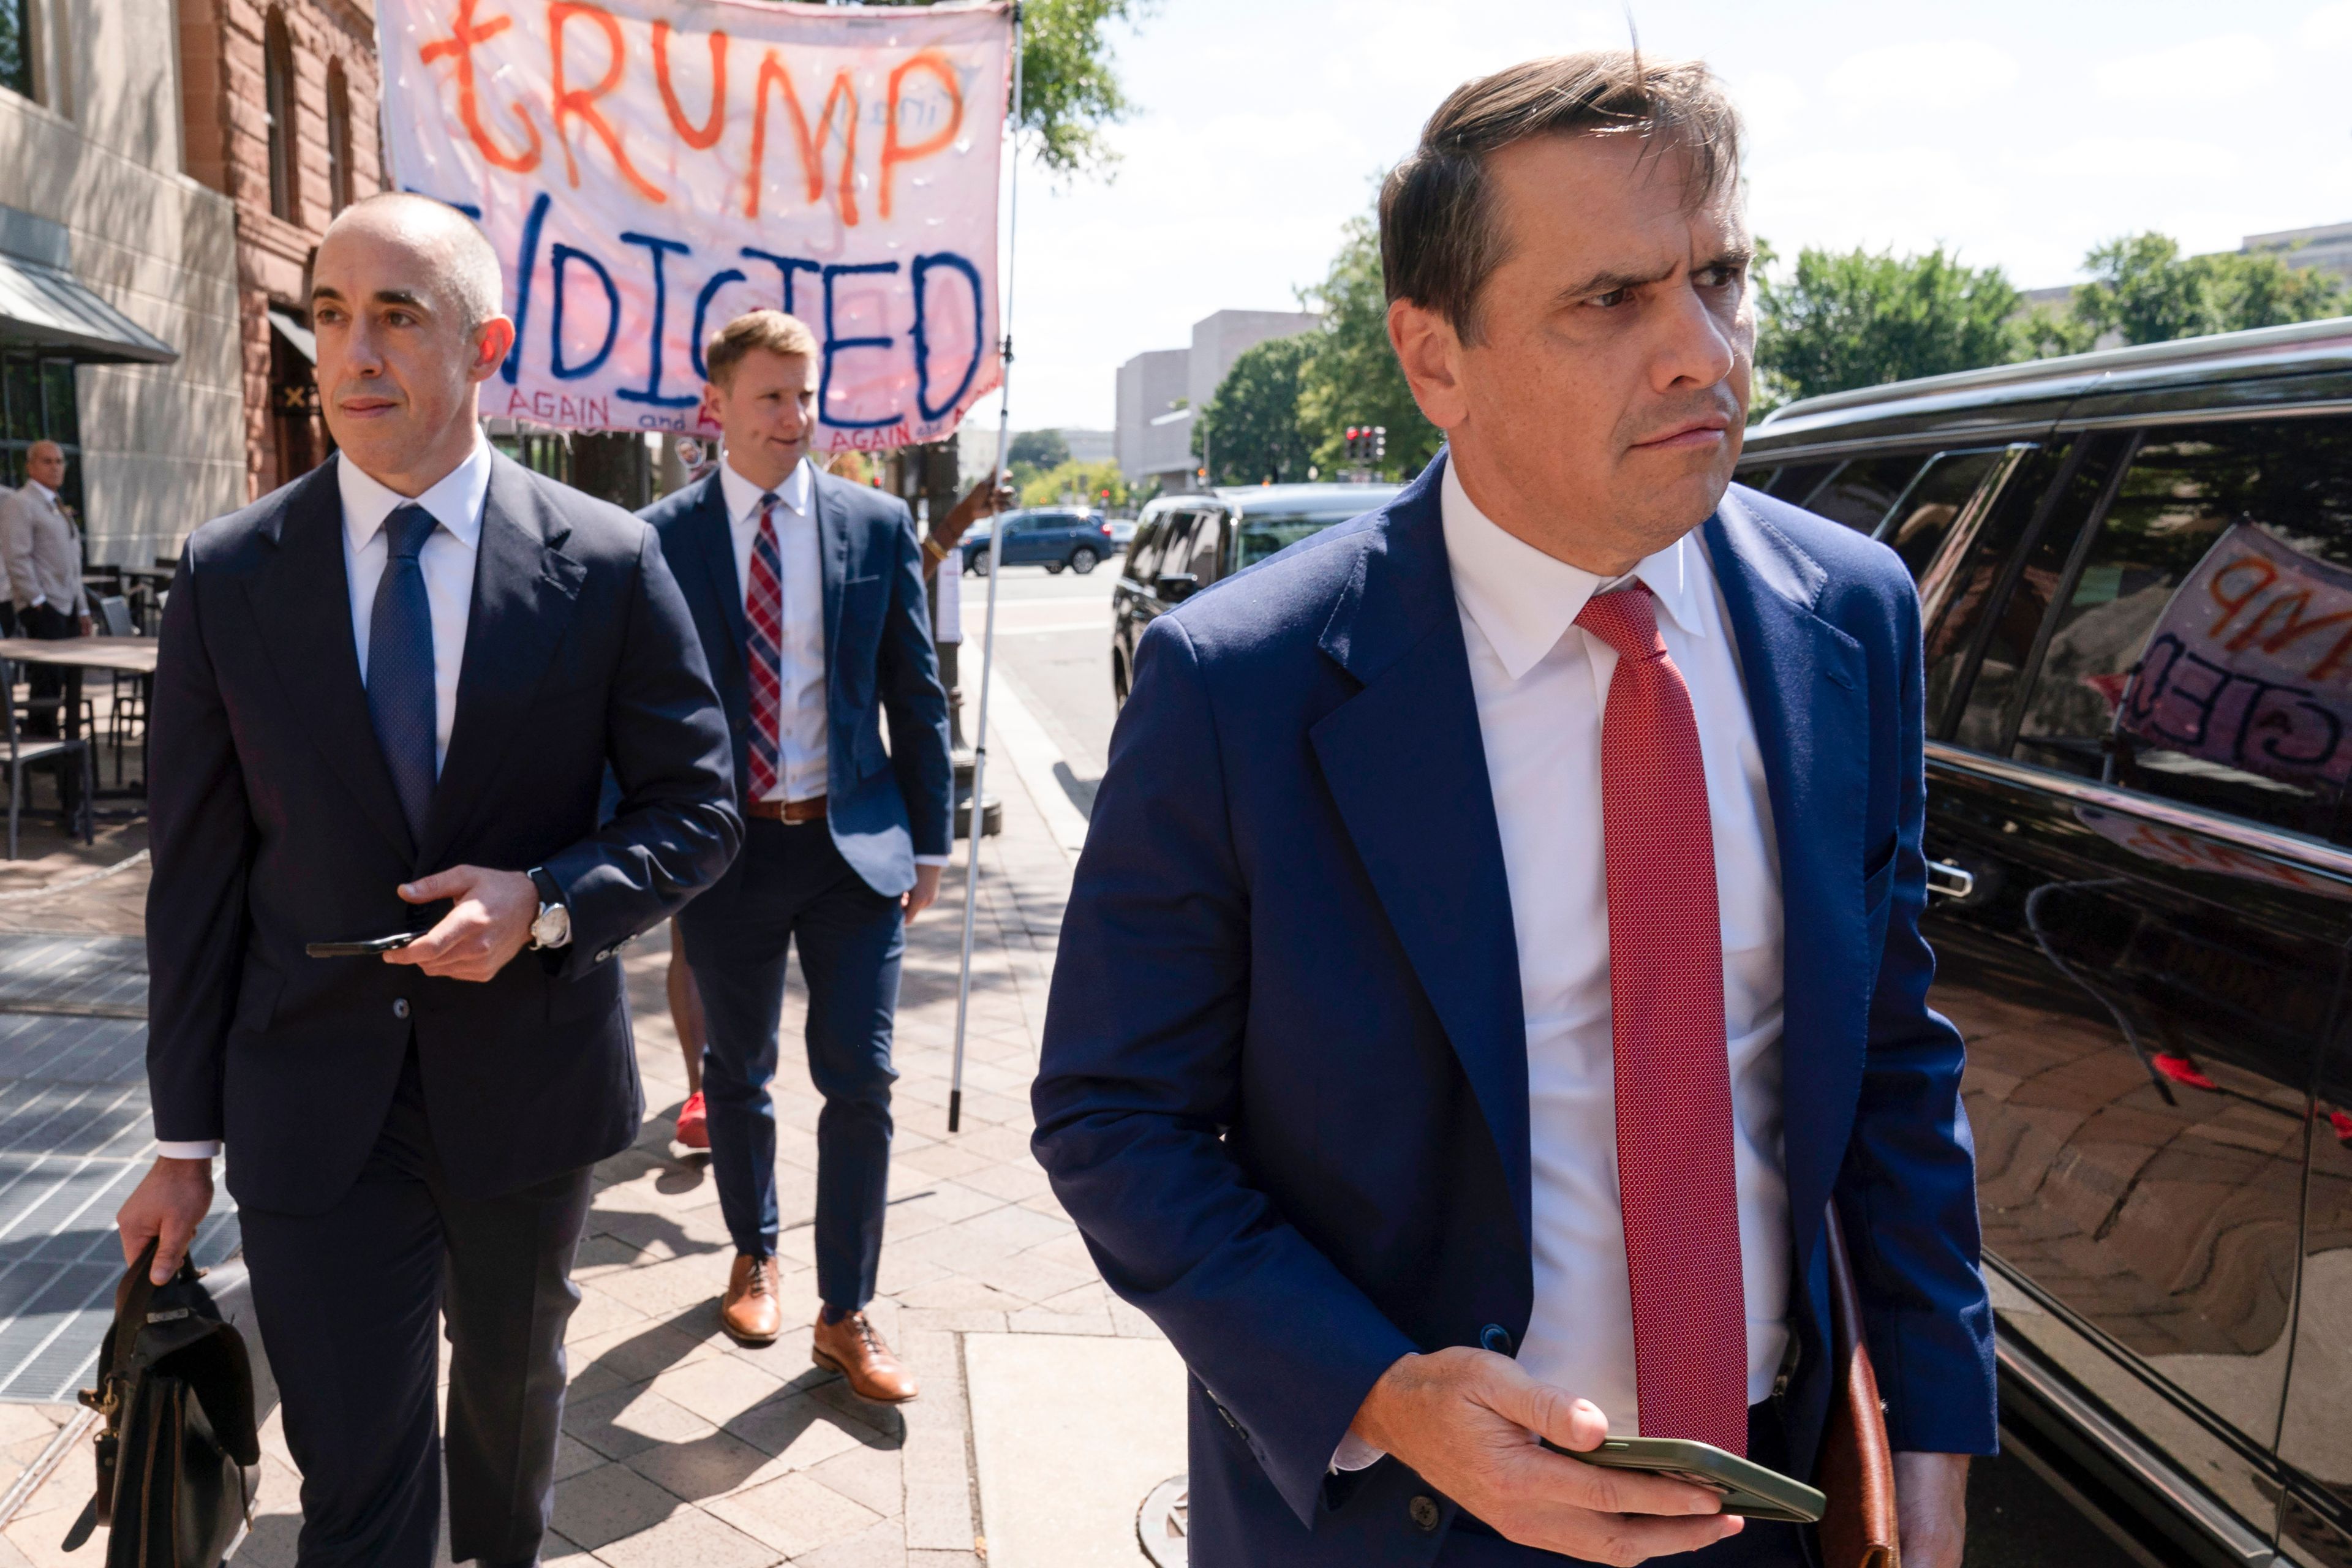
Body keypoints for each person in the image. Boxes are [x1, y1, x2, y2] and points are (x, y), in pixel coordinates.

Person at [1031, 53, 1992, 1568]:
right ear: (1434, 360)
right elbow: (1111, 1118)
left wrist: (1933, 1425)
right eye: (1610, 300)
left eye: (1719, 276)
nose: (1700, 351)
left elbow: (1884, 1055)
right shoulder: (1243, 683)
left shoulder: (1849, 616)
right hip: (1396, 1517)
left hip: (1769, 1505)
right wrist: (1380, 1391)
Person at [115, 192, 740, 1567]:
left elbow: (698, 811)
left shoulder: (612, 563)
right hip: (304, 1097)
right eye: (331, 314)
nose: (353, 351)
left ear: (485, 346)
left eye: (398, 315)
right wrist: (180, 1141)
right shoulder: (230, 577)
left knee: (507, 1440)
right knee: (355, 1476)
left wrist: (549, 899)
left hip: (528, 1093)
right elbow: (198, 876)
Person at [639, 309, 968, 1397]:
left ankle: (848, 1310)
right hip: (724, 854)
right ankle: (754, 1249)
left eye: (806, 393)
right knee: (737, 1074)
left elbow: (917, 698)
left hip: (850, 848)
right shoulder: (663, 539)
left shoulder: (874, 527)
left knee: (862, 1077)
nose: (796, 416)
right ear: (718, 409)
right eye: (772, 397)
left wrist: (930, 842)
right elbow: (629, 708)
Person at [1, 440, 89, 731]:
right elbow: (17, 558)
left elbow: (73, 563)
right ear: (30, 466)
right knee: (47, 680)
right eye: (47, 461)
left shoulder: (56, 505)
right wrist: (38, 602)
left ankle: (64, 746)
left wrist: (83, 608)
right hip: (44, 606)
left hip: (68, 605)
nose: (55, 468)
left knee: (66, 679)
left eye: (60, 461)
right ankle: (43, 747)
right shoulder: (20, 503)